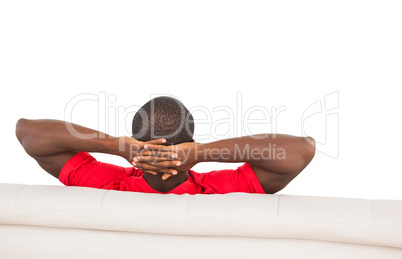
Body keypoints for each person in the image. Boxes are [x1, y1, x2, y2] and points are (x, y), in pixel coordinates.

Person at [15, 96, 315, 194]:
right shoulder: (222, 189)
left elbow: (28, 133)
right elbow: (302, 150)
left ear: (135, 142)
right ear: (190, 142)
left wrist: (119, 147)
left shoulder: (106, 184)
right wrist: (201, 153)